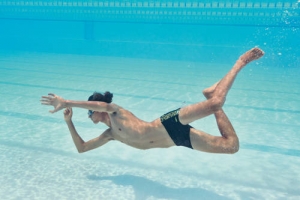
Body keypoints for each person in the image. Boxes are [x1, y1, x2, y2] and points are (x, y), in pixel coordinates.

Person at [41, 47, 264, 154]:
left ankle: (240, 62)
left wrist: (67, 101)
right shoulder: (110, 135)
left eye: (89, 113)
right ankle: (208, 94)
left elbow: (100, 105)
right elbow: (82, 148)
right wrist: (69, 122)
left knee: (217, 103)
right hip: (176, 139)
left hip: (168, 122)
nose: (89, 116)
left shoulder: (114, 111)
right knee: (231, 146)